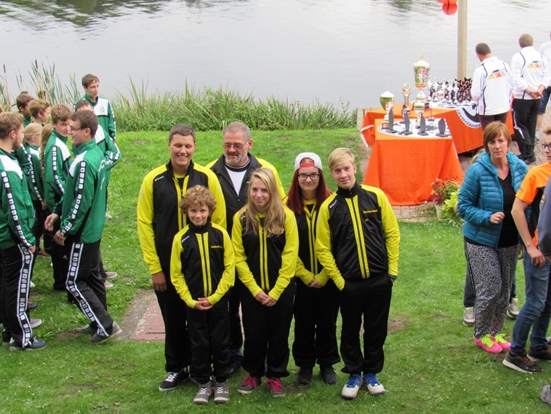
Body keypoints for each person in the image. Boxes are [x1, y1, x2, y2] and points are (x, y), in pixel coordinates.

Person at [137, 124, 226, 392]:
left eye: (188, 146)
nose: (183, 151)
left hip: (202, 266)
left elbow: (219, 219)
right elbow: (144, 223)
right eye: (178, 145)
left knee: (204, 320)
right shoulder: (153, 180)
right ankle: (177, 367)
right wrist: (155, 268)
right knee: (173, 318)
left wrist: (216, 261)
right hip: (167, 265)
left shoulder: (207, 177)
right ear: (169, 145)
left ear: (194, 147)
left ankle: (208, 368)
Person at [316, 148, 400, 400]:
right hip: (349, 283)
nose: (343, 175)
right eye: (337, 171)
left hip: (379, 279)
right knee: (350, 329)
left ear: (355, 167)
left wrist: (392, 272)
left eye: (346, 169)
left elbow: (392, 233)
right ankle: (354, 373)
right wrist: (340, 281)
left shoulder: (376, 196)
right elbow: (323, 248)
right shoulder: (328, 207)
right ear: (331, 174)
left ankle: (372, 373)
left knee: (376, 329)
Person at [206, 121, 285, 373]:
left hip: (258, 254)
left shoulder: (266, 169)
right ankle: (232, 353)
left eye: (237, 145)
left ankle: (259, 354)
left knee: (256, 310)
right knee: (227, 309)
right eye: (227, 144)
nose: (231, 150)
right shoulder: (210, 172)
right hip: (223, 256)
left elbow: (281, 209)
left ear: (249, 144)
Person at [45, 110, 121, 344]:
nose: (69, 132)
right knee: (92, 277)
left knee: (73, 281)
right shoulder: (95, 154)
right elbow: (71, 193)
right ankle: (98, 322)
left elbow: (80, 200)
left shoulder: (85, 162)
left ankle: (105, 326)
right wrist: (58, 210)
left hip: (83, 232)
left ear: (86, 131)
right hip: (93, 228)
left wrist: (65, 229)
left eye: (73, 128)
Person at [458, 121, 528, 354]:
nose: (497, 146)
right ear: (486, 145)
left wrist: (524, 239)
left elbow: (527, 205)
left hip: (509, 240)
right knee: (490, 287)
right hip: (480, 240)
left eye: (501, 140)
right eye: (492, 142)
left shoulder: (519, 168)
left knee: (505, 289)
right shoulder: (478, 170)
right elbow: (463, 206)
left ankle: (495, 331)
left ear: (508, 142)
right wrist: (487, 217)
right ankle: (481, 334)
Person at [233, 168, 298, 397]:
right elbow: (238, 257)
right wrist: (255, 290)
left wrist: (277, 290)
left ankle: (275, 375)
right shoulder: (240, 218)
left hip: (281, 290)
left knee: (279, 334)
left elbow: (290, 256)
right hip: (252, 291)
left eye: (264, 190)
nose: (259, 195)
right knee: (254, 333)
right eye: (255, 189)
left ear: (272, 192)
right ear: (249, 190)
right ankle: (254, 373)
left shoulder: (285, 216)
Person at [170, 185, 235, 405]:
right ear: (186, 212)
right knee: (199, 343)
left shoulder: (220, 234)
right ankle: (204, 382)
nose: (198, 215)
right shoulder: (181, 239)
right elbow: (176, 275)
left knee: (220, 341)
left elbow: (229, 269)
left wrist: (216, 297)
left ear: (210, 211)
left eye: (203, 211)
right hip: (194, 302)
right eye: (193, 211)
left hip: (218, 301)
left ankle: (222, 381)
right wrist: (189, 300)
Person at [285, 152, 339, 385]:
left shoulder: (334, 203)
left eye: (313, 175)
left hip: (328, 276)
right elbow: (285, 247)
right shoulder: (287, 207)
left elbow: (339, 243)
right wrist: (306, 275)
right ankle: (305, 365)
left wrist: (326, 274)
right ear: (297, 177)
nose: (308, 180)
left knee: (327, 322)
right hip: (300, 279)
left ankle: (327, 364)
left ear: (320, 176)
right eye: (303, 175)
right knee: (304, 323)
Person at [503, 126, 551, 373]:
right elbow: (516, 210)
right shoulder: (537, 176)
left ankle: (539, 345)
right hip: (541, 255)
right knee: (534, 303)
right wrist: (531, 246)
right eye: (545, 145)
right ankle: (515, 353)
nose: (547, 150)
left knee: (548, 303)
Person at [0, 112, 46, 351]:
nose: (23, 135)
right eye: (20, 131)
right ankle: (23, 337)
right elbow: (14, 208)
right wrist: (27, 239)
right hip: (14, 238)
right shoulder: (6, 167)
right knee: (18, 287)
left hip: (7, 238)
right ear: (12, 133)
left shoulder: (8, 158)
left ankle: (9, 331)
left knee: (8, 285)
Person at [75, 100, 121, 286]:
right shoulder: (78, 143)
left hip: (100, 184)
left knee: (96, 228)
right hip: (88, 186)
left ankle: (99, 271)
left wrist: (103, 166)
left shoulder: (99, 131)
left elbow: (115, 152)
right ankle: (94, 276)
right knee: (89, 229)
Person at [43, 104, 72, 293]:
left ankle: (63, 280)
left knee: (62, 244)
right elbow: (54, 176)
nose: (67, 129)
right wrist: (67, 196)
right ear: (54, 125)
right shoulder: (55, 147)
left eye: (69, 125)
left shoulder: (61, 143)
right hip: (56, 202)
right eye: (63, 125)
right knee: (59, 244)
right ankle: (60, 283)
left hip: (60, 201)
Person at [511, 33, 550, 164]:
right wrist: (540, 89)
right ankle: (530, 152)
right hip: (537, 97)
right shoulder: (541, 57)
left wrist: (529, 90)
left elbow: (516, 78)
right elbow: (547, 75)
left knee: (519, 125)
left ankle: (526, 153)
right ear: (532, 43)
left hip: (523, 97)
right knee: (531, 125)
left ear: (520, 44)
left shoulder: (518, 57)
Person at [471, 43, 513, 130]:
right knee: (500, 134)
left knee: (490, 137)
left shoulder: (481, 70)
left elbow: (476, 93)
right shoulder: (505, 65)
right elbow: (512, 84)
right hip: (503, 107)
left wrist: (476, 100)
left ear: (479, 54)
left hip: (488, 110)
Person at [76, 74, 116, 143]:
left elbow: (111, 123)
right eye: (92, 87)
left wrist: (112, 140)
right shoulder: (79, 106)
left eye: (97, 86)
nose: (96, 90)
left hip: (104, 141)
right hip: (89, 143)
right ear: (85, 88)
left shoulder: (105, 102)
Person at [537, 30, 551, 137]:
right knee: (540, 108)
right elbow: (538, 63)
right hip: (544, 83)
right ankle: (536, 134)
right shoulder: (544, 47)